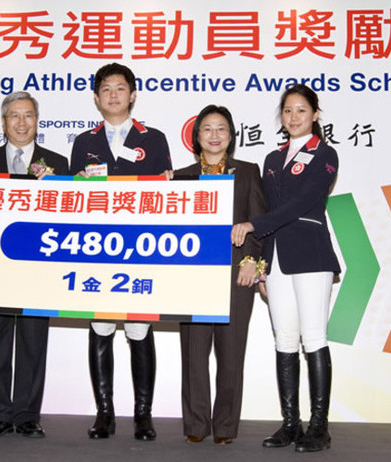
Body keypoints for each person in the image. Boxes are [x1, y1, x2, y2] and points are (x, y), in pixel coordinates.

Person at [231, 84, 340, 453]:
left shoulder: (325, 154)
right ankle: (291, 423)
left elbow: (302, 203)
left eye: (301, 111)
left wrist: (253, 227)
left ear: (315, 115)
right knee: (284, 340)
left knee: (314, 338)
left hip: (310, 256)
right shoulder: (273, 160)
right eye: (288, 111)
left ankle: (320, 426)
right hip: (276, 260)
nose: (294, 117)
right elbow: (266, 209)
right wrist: (261, 261)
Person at [70, 63, 172, 441]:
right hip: (97, 248)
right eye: (106, 89)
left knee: (139, 327)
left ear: (132, 94)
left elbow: (171, 199)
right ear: (96, 98)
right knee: (100, 327)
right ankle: (104, 414)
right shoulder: (84, 143)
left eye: (120, 88)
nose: (113, 94)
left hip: (141, 248)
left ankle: (143, 415)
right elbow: (70, 203)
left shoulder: (156, 139)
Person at [0, 91, 68, 438]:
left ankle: (28, 415)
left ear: (37, 122)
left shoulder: (57, 162)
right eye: (14, 116)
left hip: (37, 266)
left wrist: (55, 187)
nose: (22, 123)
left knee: (32, 340)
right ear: (3, 122)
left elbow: (70, 212)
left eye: (28, 115)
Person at [174, 105, 266, 445]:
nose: (214, 135)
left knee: (231, 356)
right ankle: (196, 424)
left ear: (231, 136)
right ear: (196, 137)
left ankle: (225, 427)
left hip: (235, 273)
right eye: (207, 129)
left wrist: (251, 260)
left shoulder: (247, 172)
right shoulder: (181, 176)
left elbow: (258, 222)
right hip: (193, 276)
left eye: (221, 129)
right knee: (194, 356)